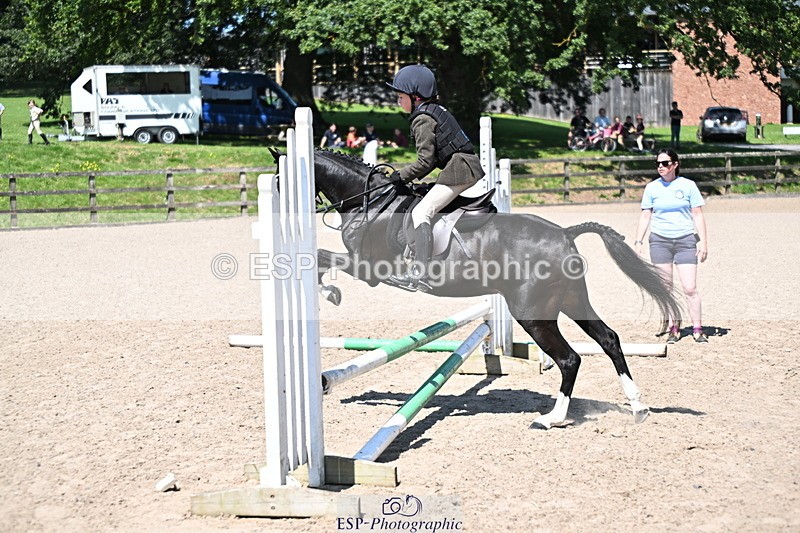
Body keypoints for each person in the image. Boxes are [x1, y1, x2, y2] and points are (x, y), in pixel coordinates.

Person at [385, 64, 484, 290]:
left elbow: (424, 162)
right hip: (461, 166)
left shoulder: (422, 119)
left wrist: (399, 176)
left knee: (422, 211)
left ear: (415, 96)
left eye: (401, 96)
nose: (399, 101)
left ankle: (419, 272)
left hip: (461, 168)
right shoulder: (434, 110)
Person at [634, 148, 709, 344]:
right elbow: (645, 215)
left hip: (685, 241)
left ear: (675, 164)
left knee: (690, 287)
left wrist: (704, 243)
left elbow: (698, 215)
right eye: (658, 163)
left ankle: (697, 329)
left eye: (665, 163)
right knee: (666, 288)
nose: (661, 166)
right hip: (660, 242)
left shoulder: (688, 186)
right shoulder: (652, 188)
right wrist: (638, 241)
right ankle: (673, 328)